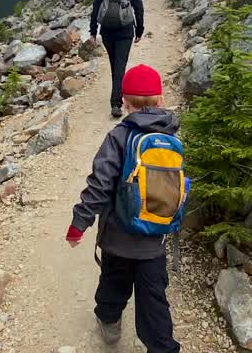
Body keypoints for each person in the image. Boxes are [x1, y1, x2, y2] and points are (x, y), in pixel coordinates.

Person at [66, 64, 181, 352]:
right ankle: (163, 346)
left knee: (113, 283)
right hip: (155, 237)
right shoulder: (173, 138)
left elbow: (99, 185)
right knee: (154, 297)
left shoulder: (118, 137)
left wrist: (79, 222)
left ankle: (108, 319)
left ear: (125, 102)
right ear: (161, 99)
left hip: (118, 237)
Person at [90, 0, 145, 118]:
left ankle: (116, 94)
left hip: (106, 30)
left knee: (115, 63)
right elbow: (139, 10)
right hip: (125, 31)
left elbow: (95, 7)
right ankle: (116, 103)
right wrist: (140, 30)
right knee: (120, 65)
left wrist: (93, 31)